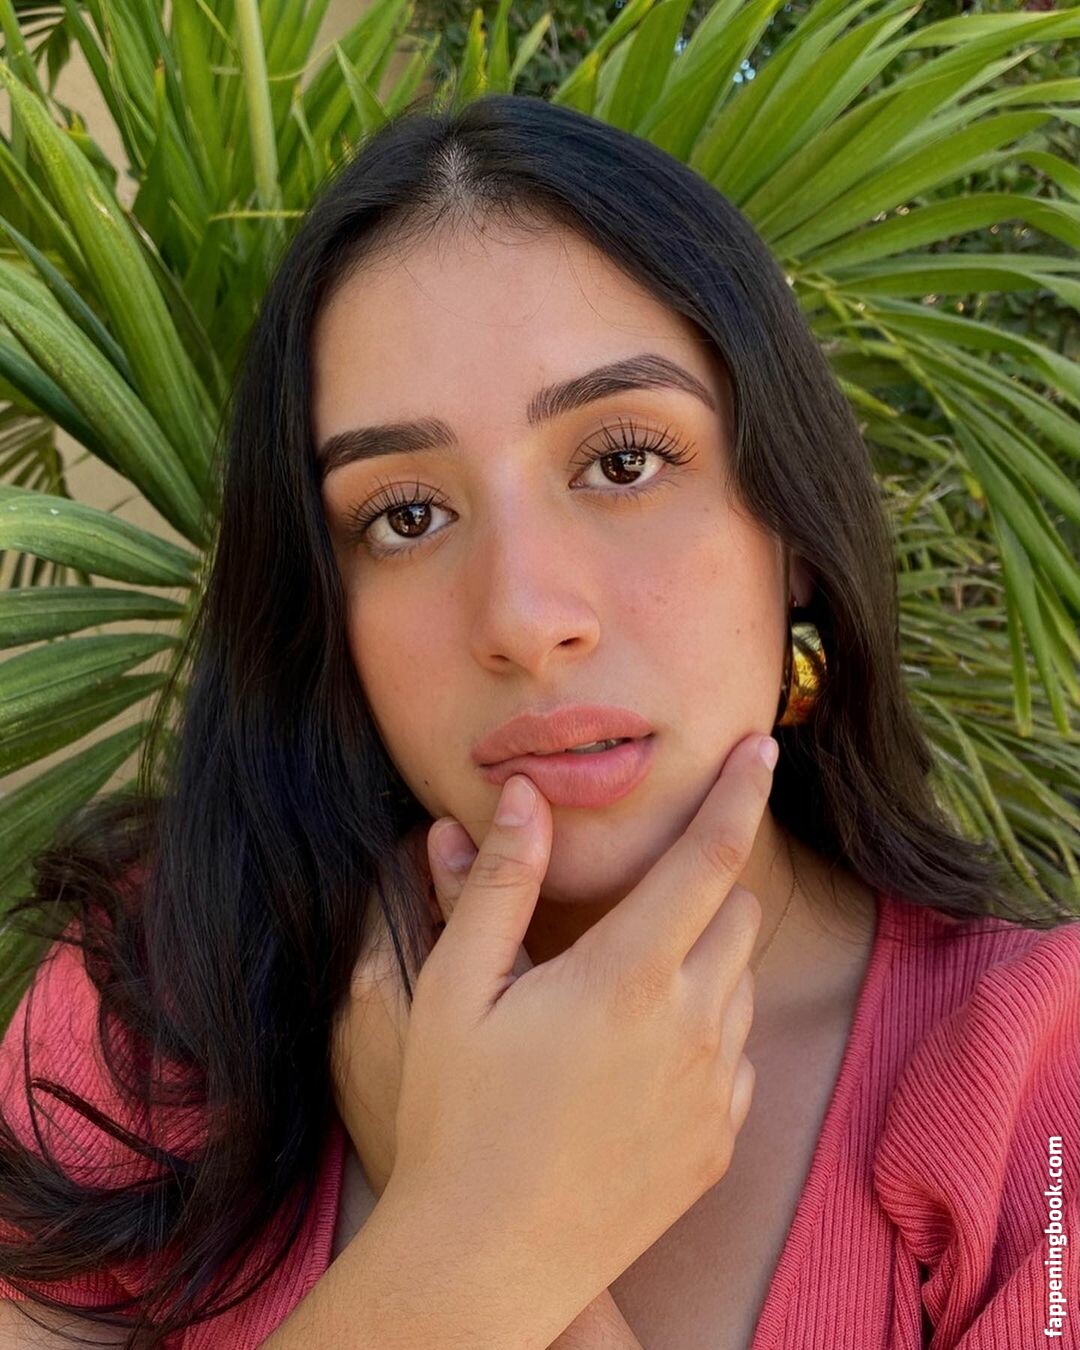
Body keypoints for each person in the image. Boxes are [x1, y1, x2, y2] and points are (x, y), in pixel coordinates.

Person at [0, 91, 1077, 1350]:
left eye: (623, 462)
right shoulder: (164, 989)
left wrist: (496, 1238)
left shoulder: (1035, 1092)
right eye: (405, 516)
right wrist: (480, 1242)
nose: (521, 618)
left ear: (789, 527)